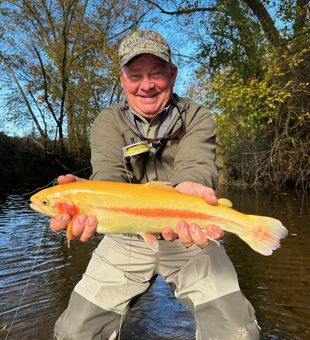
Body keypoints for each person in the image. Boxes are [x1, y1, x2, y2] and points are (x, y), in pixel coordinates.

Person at [51, 29, 260, 340]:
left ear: (172, 75)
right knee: (74, 332)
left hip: (188, 232)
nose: (145, 85)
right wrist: (91, 201)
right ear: (122, 79)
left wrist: (192, 190)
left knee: (236, 333)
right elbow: (109, 178)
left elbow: (195, 168)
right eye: (135, 75)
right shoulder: (107, 122)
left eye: (156, 74)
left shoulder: (198, 116)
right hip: (125, 235)